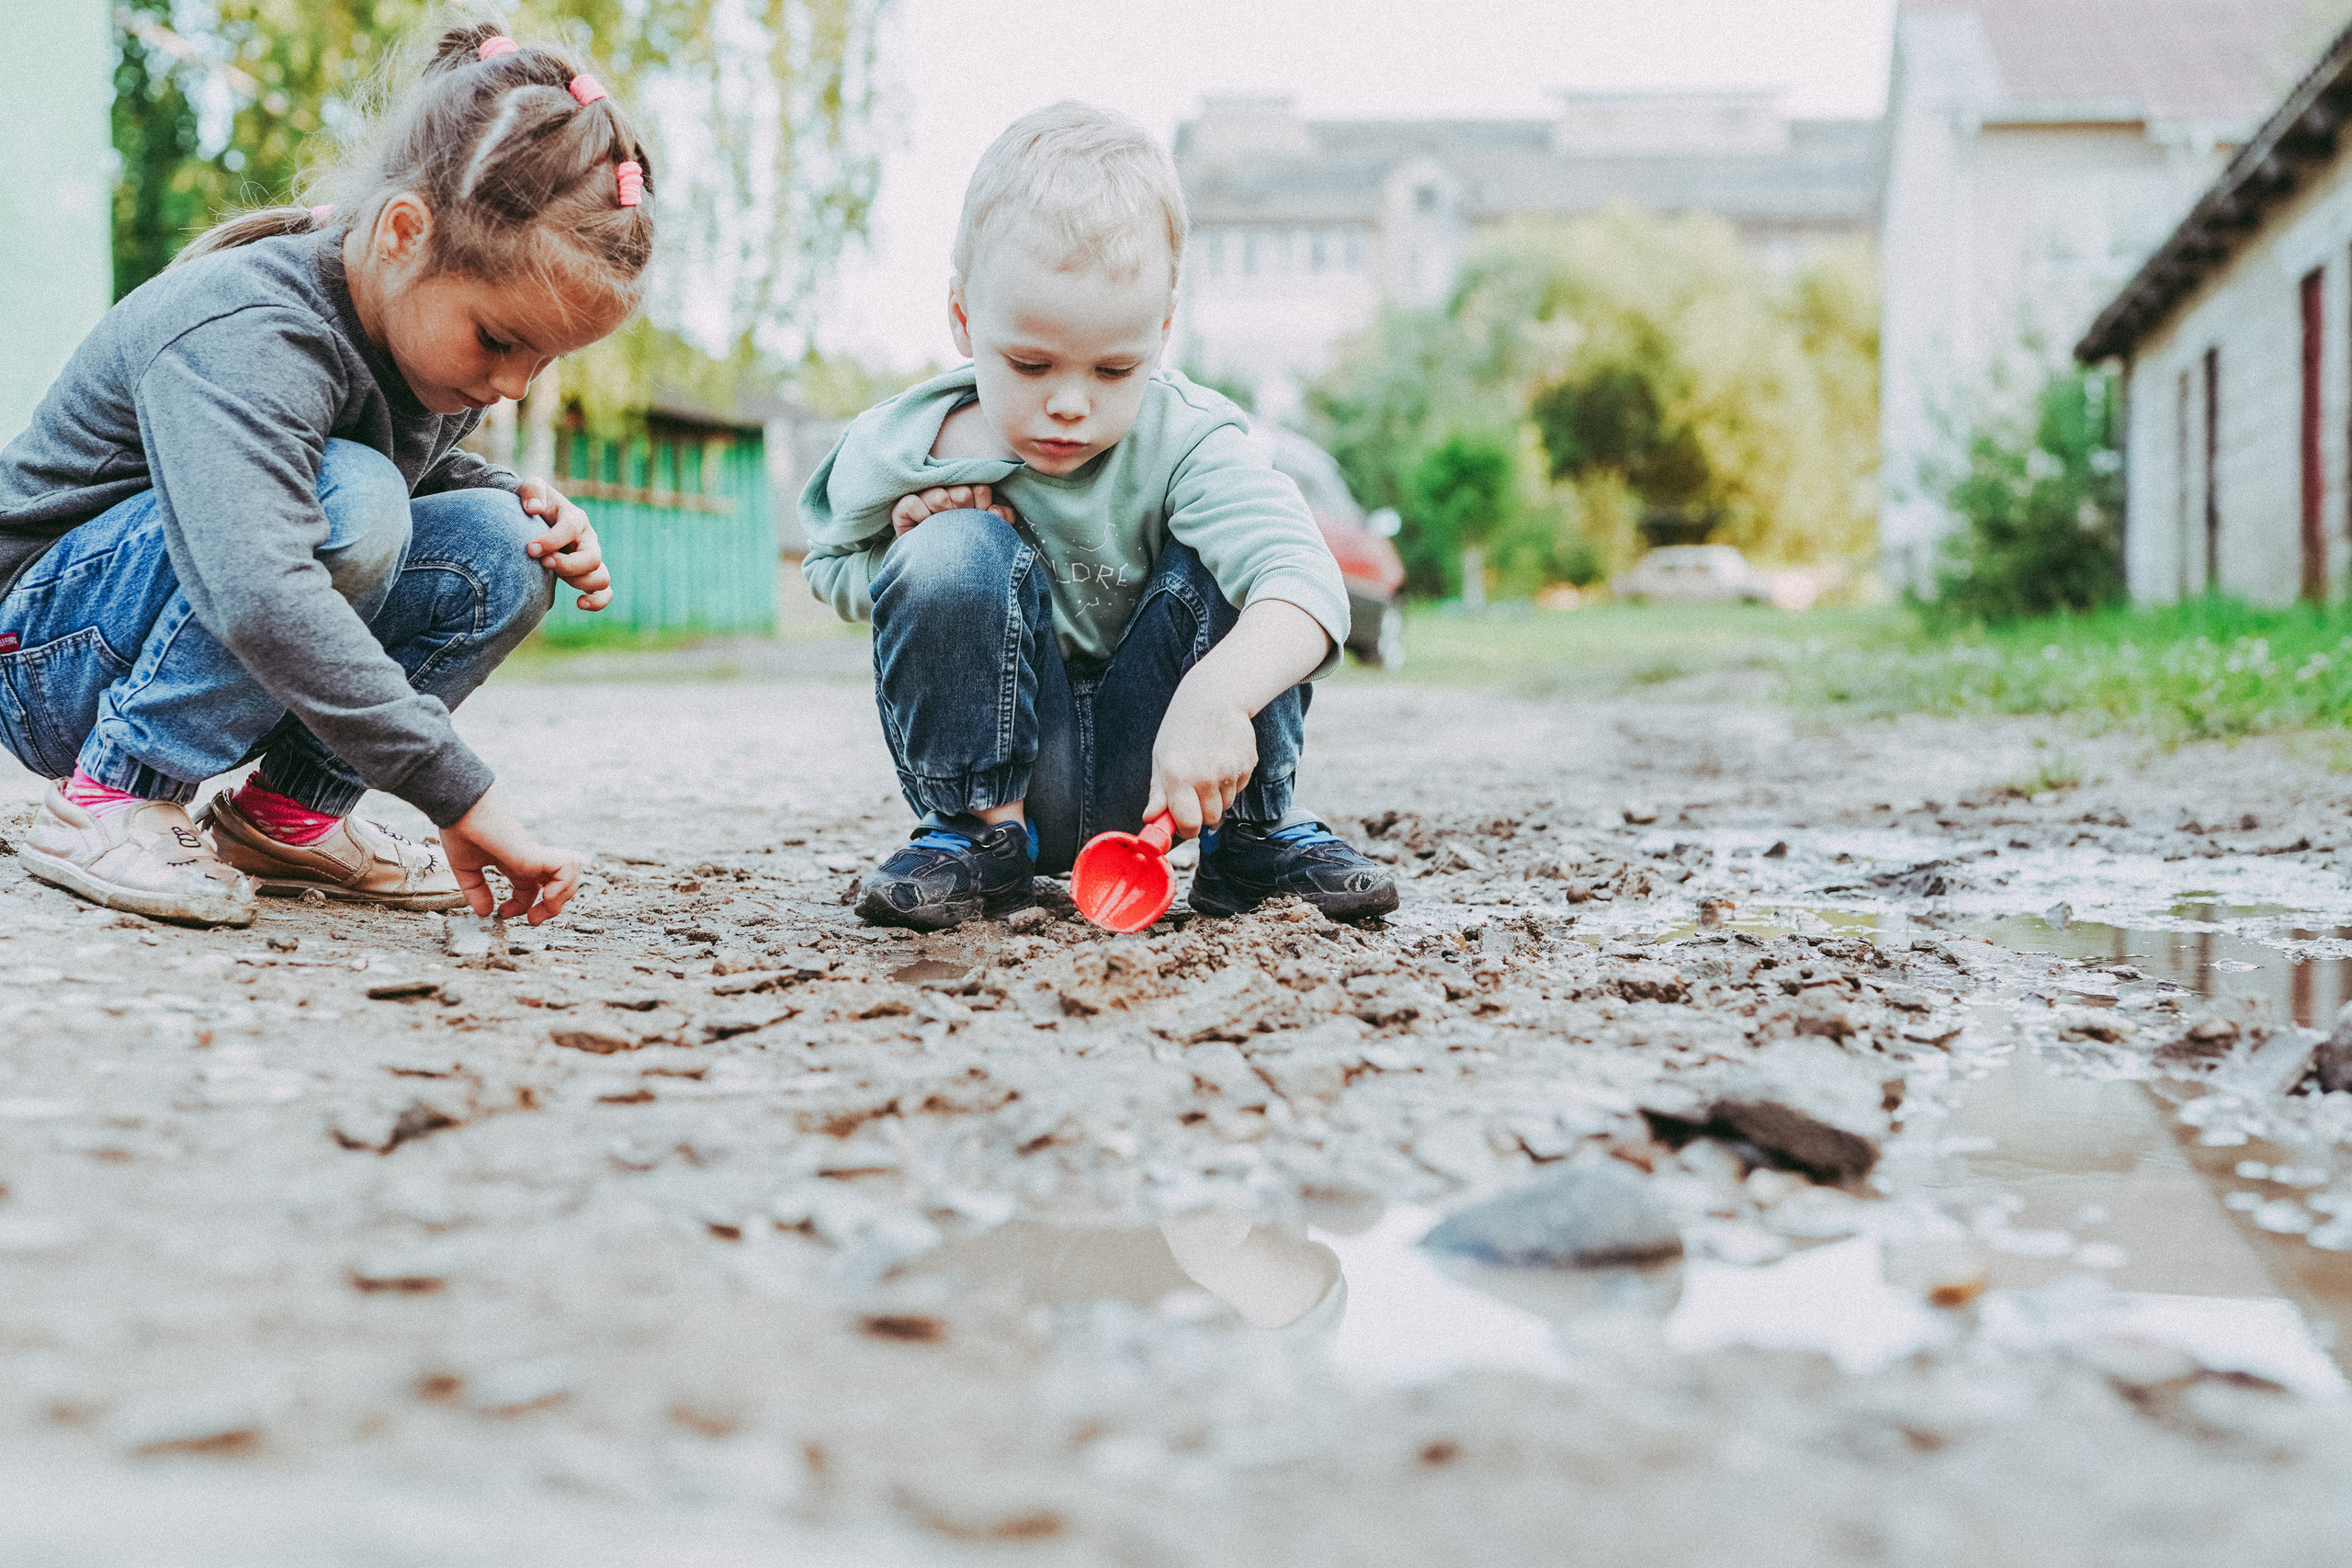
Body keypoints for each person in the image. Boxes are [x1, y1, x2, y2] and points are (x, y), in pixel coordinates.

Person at [0, 20, 653, 928]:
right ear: (402, 232)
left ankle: (288, 819)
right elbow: (262, 585)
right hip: (42, 657)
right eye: (501, 341)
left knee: (507, 547)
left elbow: (402, 468)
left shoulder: (423, 345)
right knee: (353, 496)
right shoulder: (247, 328)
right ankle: (109, 799)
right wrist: (458, 793)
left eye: (542, 363)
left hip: (179, 618)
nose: (510, 387)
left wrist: (518, 500)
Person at [800, 101, 1398, 931]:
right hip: (1011, 763)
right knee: (947, 549)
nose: (1071, 403)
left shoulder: (1190, 437)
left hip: (1171, 763)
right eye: (1031, 363)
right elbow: (830, 569)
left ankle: (1253, 840)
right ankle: (978, 841)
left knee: (1236, 566)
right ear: (965, 318)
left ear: (1161, 332)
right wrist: (904, 552)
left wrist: (1219, 694)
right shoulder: (905, 445)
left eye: (1116, 368)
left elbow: (1307, 582)